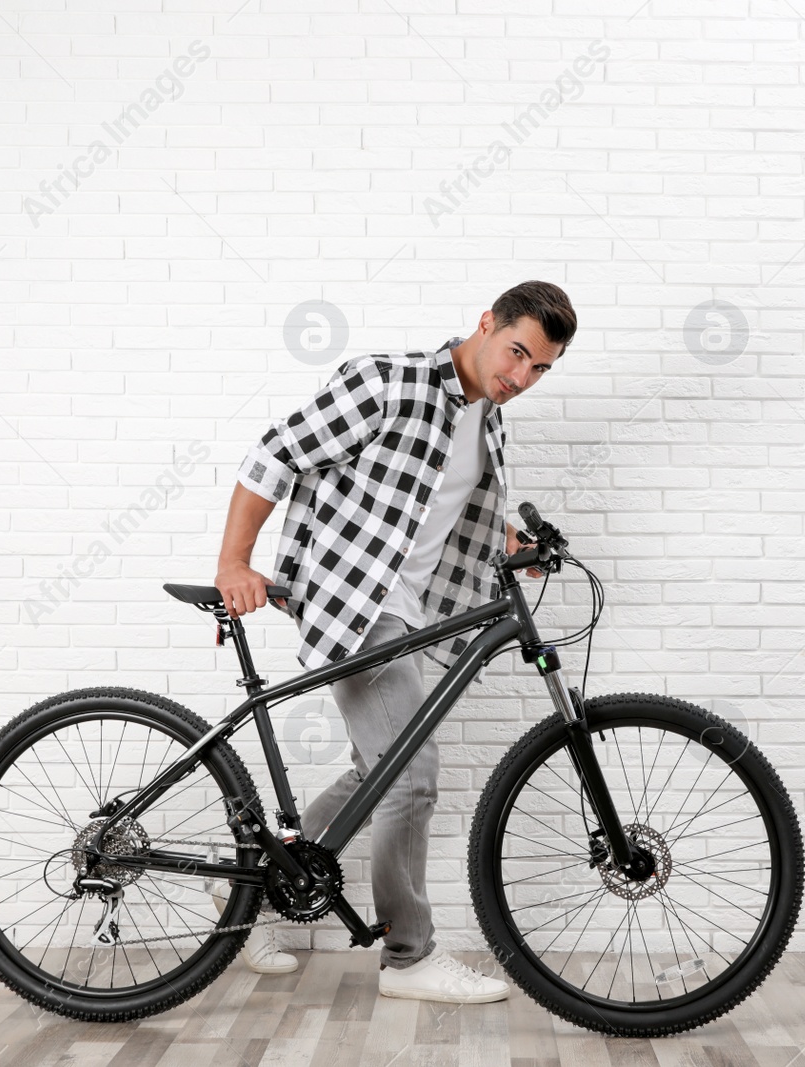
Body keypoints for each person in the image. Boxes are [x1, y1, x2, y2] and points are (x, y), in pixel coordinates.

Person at [211, 281, 576, 1003]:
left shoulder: (487, 421)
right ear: (485, 323)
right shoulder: (388, 381)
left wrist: (517, 543)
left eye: (540, 369)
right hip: (352, 600)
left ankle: (251, 890)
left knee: (375, 771)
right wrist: (233, 562)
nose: (522, 376)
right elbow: (274, 456)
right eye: (517, 353)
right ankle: (409, 957)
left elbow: (438, 508)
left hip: (411, 611)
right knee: (410, 771)